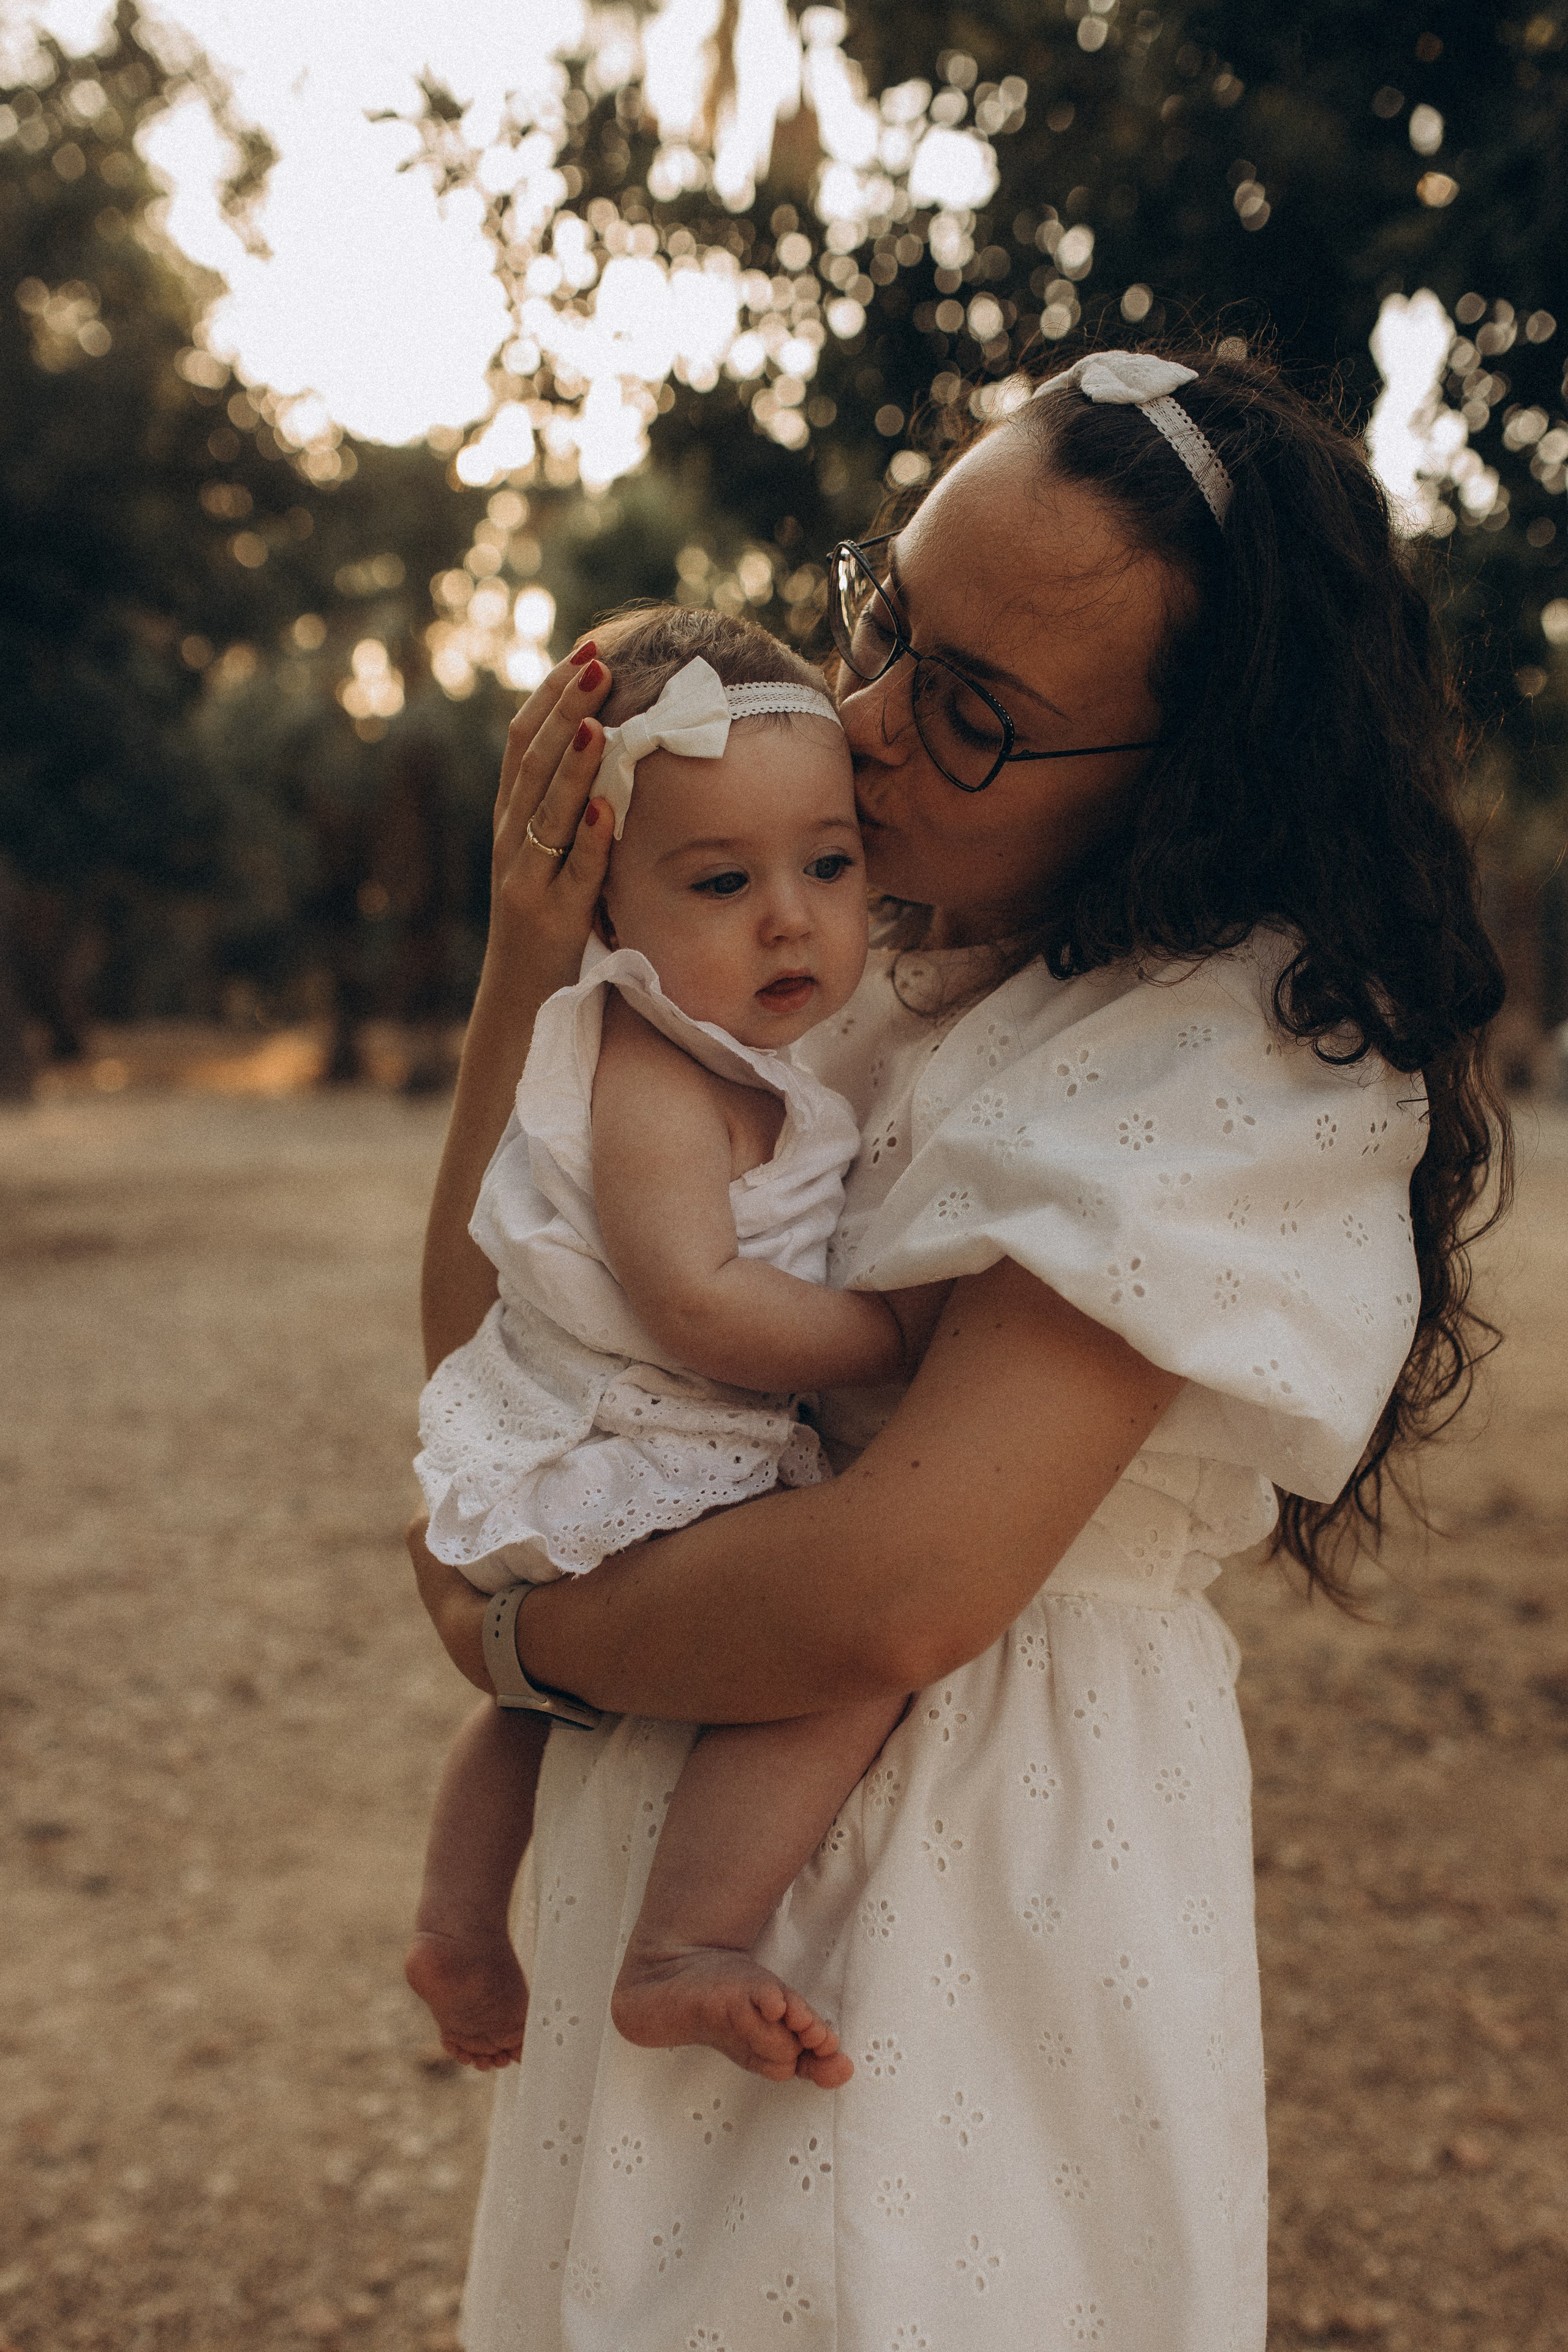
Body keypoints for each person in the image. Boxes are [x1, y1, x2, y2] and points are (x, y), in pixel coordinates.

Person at [409, 346, 1508, 2350]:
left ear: (1195, 782)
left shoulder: (1234, 1051)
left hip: (962, 1877)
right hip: (672, 1811)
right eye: (890, 629)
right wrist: (528, 966)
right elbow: (506, 1342)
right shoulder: (840, 942)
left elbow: (900, 1581)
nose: (870, 725)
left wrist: (512, 1634)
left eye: (976, 716)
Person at [405, 608, 943, 2088]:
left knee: (535, 1708)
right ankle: (684, 1944)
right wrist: (885, 1329)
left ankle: (458, 1921)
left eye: (827, 866)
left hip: (607, 1460)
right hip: (638, 1445)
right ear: (607, 913)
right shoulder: (650, 1068)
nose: (789, 918)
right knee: (831, 1664)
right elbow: (695, 1301)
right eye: (720, 881)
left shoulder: (740, 1057)